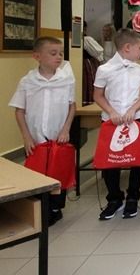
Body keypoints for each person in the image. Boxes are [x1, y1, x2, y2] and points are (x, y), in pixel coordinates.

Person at [9, 36, 75, 226]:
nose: (58, 57)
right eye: (53, 53)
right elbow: (19, 111)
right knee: (38, 173)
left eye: (60, 53)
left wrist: (66, 129)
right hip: (36, 138)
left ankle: (55, 208)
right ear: (37, 56)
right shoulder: (27, 81)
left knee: (58, 172)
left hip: (58, 136)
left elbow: (72, 107)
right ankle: (40, 208)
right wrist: (26, 136)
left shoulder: (67, 80)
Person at [94, 28, 140, 220]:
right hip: (112, 120)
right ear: (127, 47)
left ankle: (133, 197)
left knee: (136, 159)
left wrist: (133, 109)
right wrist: (111, 112)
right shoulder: (104, 69)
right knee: (111, 160)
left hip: (135, 118)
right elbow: (98, 95)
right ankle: (114, 198)